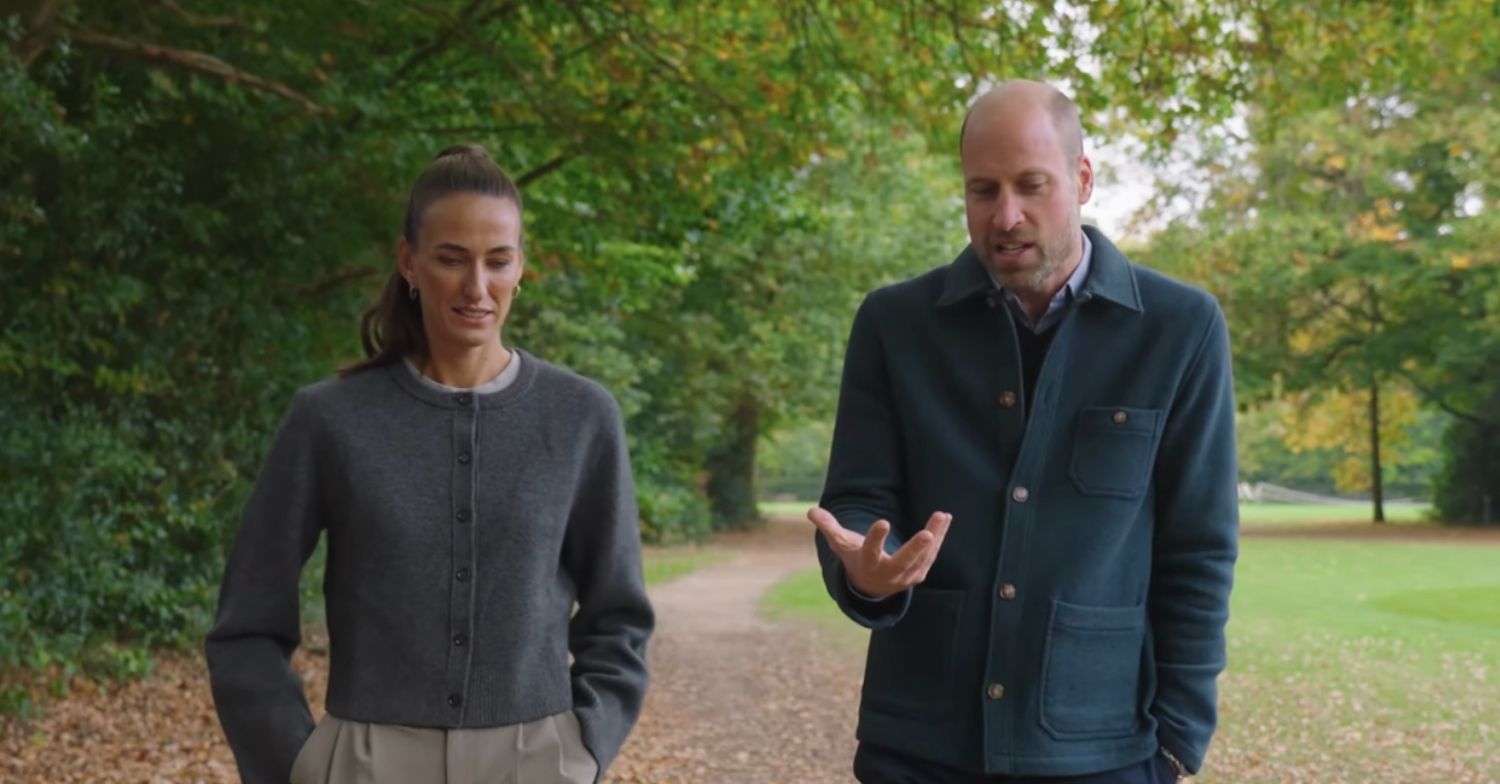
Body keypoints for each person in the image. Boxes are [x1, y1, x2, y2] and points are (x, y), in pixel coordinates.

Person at [808, 80, 1238, 783]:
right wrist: (862, 571)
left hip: (1104, 751)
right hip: (916, 748)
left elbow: (1200, 545)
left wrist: (1178, 741)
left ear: (1082, 179)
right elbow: (857, 500)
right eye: (983, 191)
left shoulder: (1181, 328)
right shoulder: (895, 324)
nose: (1006, 216)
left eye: (1031, 185)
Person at [206, 145, 653, 784]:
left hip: (537, 760)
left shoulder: (580, 416)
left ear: (521, 267)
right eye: (451, 259)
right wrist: (296, 764)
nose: (478, 287)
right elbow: (245, 624)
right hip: (366, 762)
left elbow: (619, 617)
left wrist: (582, 748)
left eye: (498, 261)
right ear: (409, 262)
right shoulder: (330, 419)